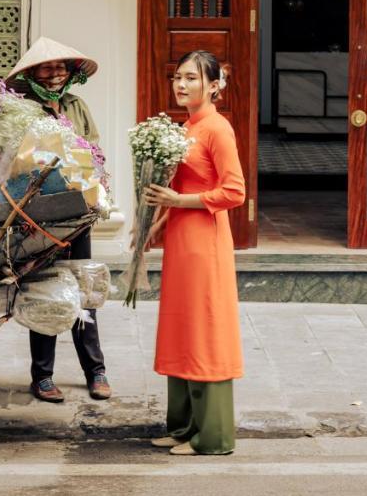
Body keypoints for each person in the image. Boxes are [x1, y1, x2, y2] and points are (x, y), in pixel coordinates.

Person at [142, 50, 244, 456]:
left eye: (191, 78)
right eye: (177, 77)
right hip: (182, 241)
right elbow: (181, 192)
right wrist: (157, 223)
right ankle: (183, 425)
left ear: (214, 85)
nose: (181, 85)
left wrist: (177, 203)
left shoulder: (218, 129)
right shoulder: (186, 128)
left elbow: (235, 192)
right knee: (181, 325)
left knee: (205, 329)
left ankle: (212, 435)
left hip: (205, 243)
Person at [6, 36, 111, 403]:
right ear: (33, 72)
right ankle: (42, 376)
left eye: (61, 68)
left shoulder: (76, 106)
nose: (55, 74)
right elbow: (14, 162)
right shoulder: (22, 110)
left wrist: (96, 186)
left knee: (84, 289)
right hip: (39, 217)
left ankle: (95, 370)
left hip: (79, 211)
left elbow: (95, 152)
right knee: (46, 289)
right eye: (48, 68)